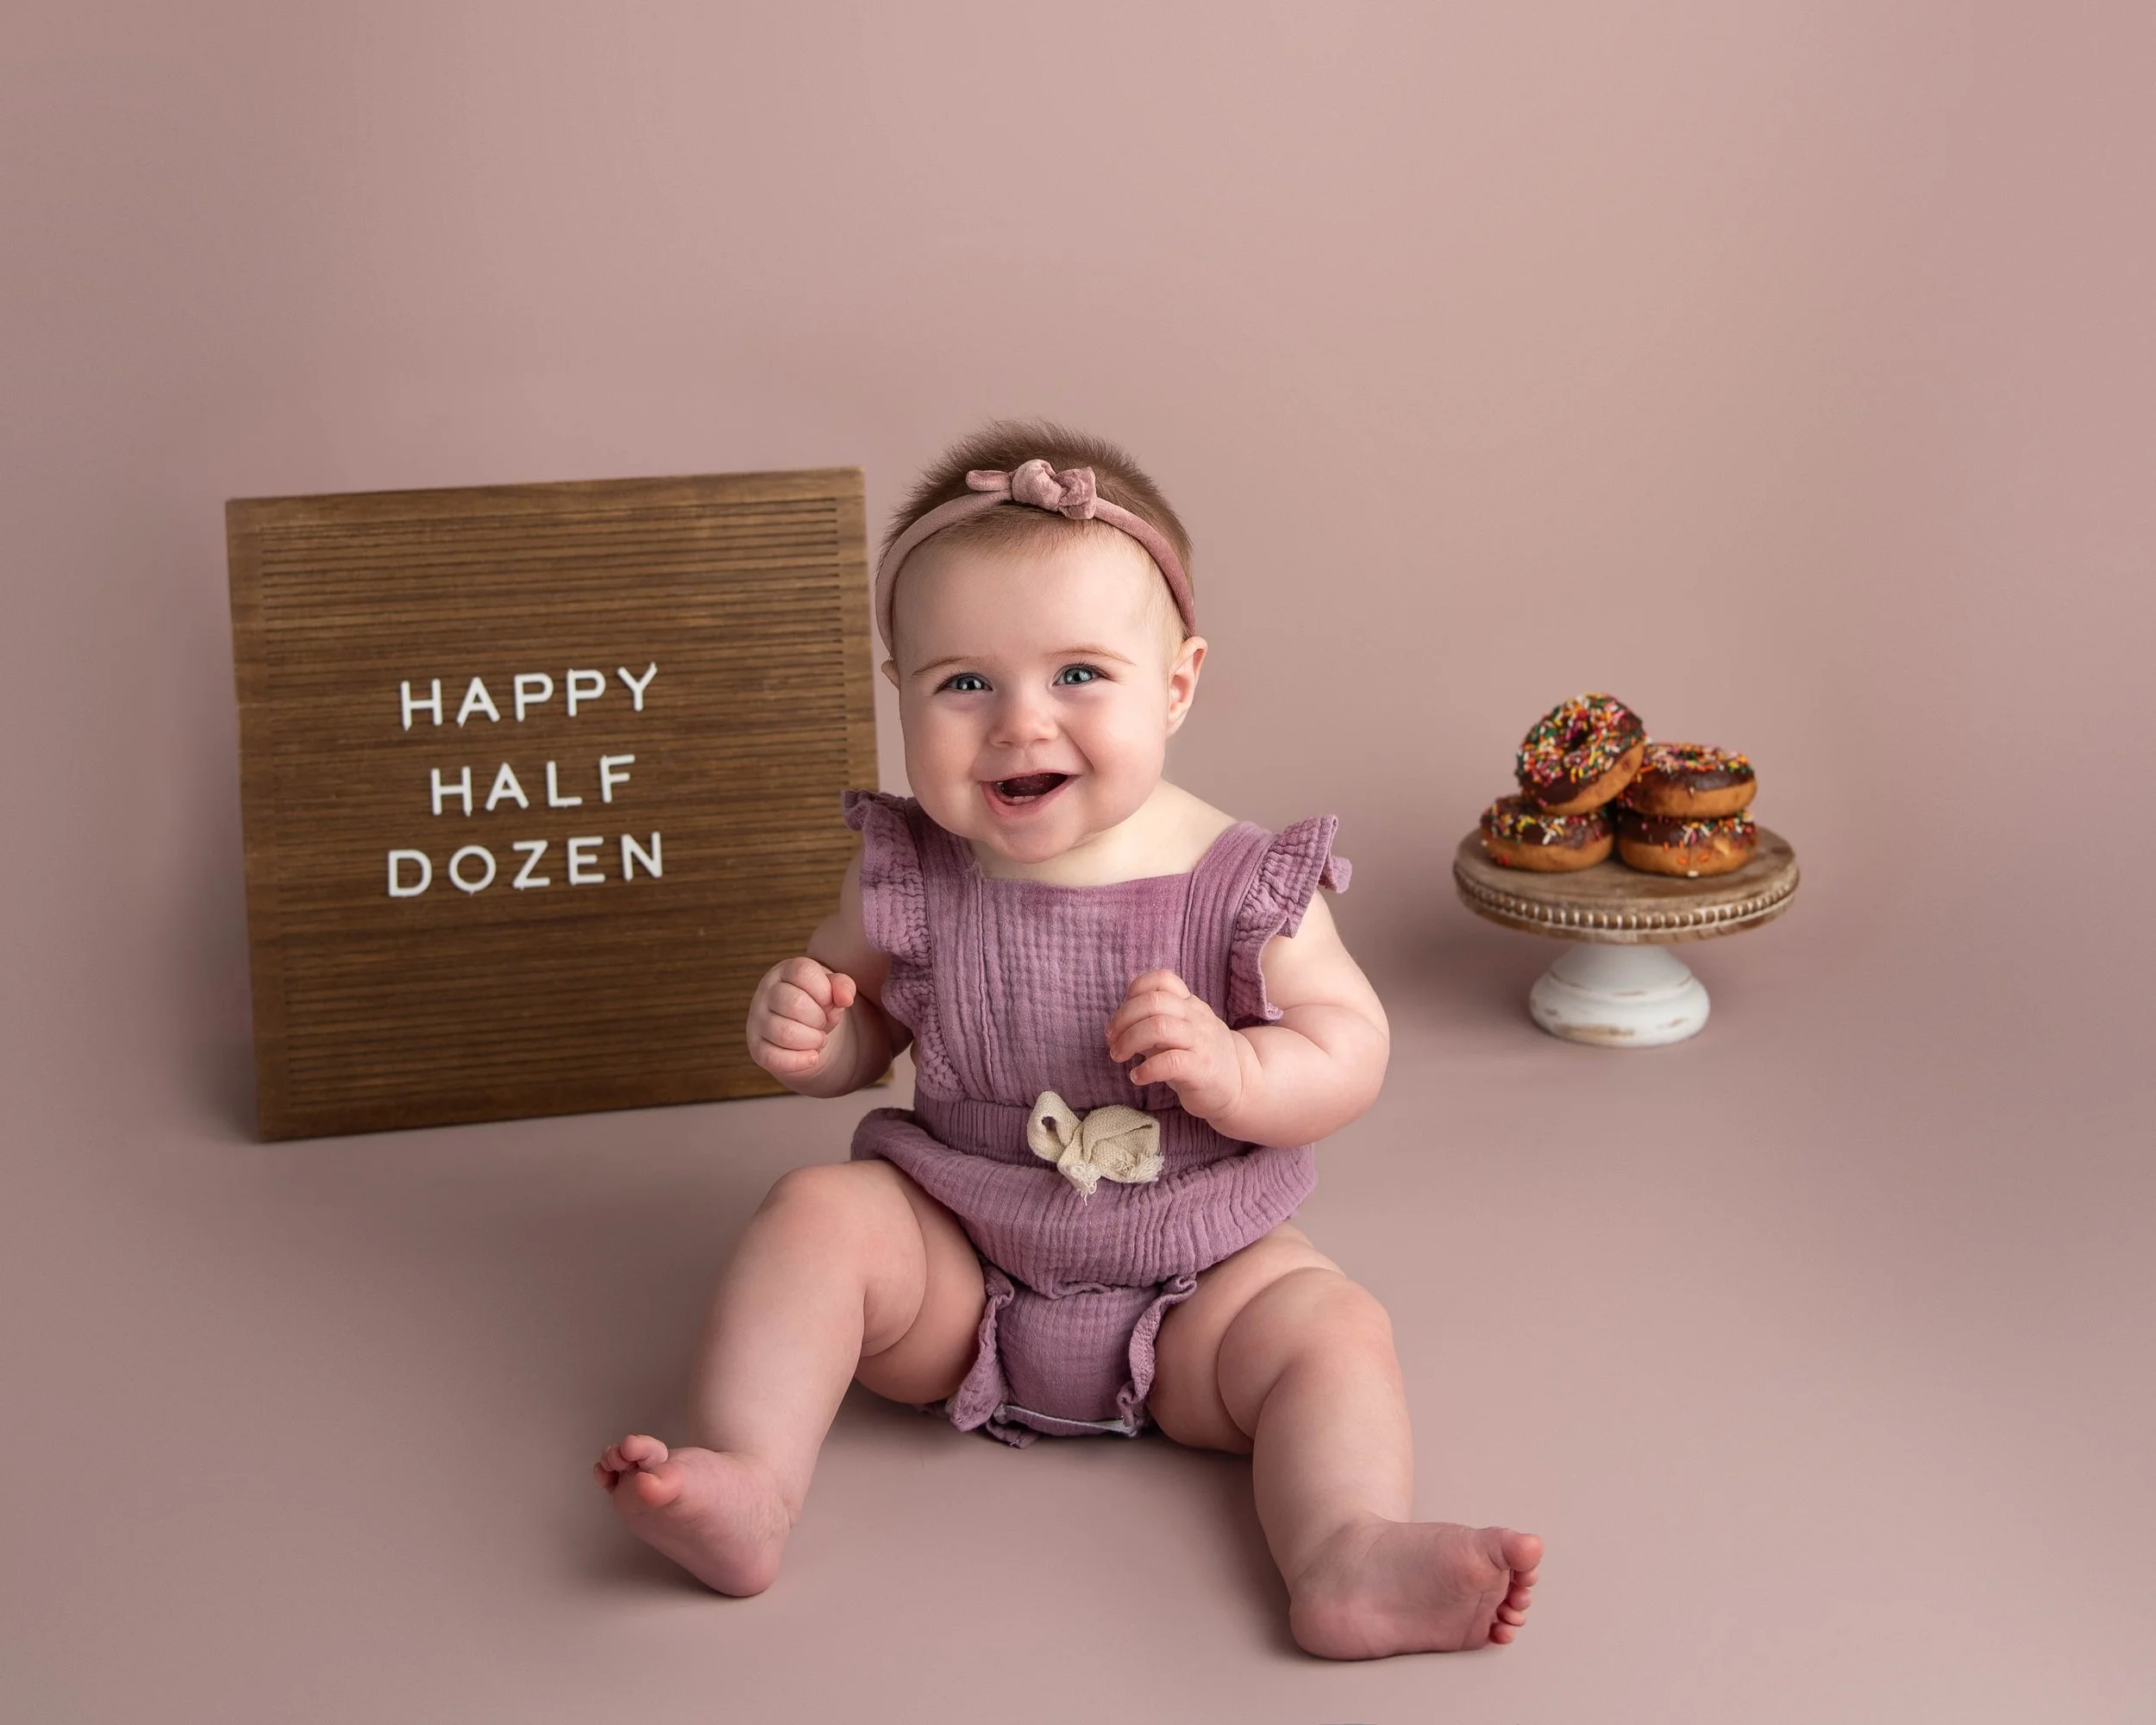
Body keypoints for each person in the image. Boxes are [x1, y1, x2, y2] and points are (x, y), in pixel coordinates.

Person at [595, 422, 1540, 1659]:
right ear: (902, 690)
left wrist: (1243, 1070)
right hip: (959, 1267)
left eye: (1080, 675)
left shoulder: (1244, 882)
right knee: (814, 1215)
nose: (1019, 725)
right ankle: (750, 1480)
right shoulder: (912, 872)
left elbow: (1350, 1046)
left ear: (1179, 683)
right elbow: (869, 1021)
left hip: (1203, 1279)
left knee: (1333, 1332)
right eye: (965, 683)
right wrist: (818, 1034)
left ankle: (1344, 1549)